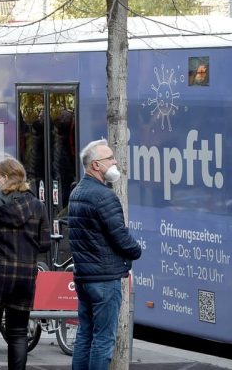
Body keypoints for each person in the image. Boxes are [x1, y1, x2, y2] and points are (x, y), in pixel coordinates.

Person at [0, 155, 50, 370]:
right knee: (18, 333)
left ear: (5, 178)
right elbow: (45, 244)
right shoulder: (37, 206)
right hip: (24, 276)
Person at [69, 139, 142, 370]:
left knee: (85, 334)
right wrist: (136, 250)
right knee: (103, 338)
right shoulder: (104, 196)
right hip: (104, 277)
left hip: (84, 276)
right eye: (109, 158)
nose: (115, 162)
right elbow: (119, 235)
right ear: (96, 165)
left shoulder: (77, 192)